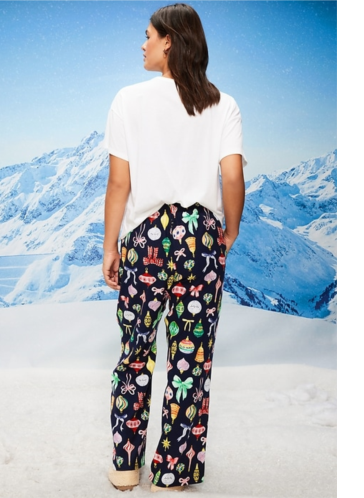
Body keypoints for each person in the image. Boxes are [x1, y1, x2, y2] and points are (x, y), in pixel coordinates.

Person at [102, 3, 247, 493]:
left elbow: (118, 184)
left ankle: (126, 466)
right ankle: (172, 472)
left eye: (148, 35)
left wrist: (111, 246)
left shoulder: (127, 100)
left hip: (146, 239)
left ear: (169, 41)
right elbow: (232, 176)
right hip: (201, 236)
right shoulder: (223, 104)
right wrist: (228, 232)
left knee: (135, 354)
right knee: (190, 359)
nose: (142, 43)